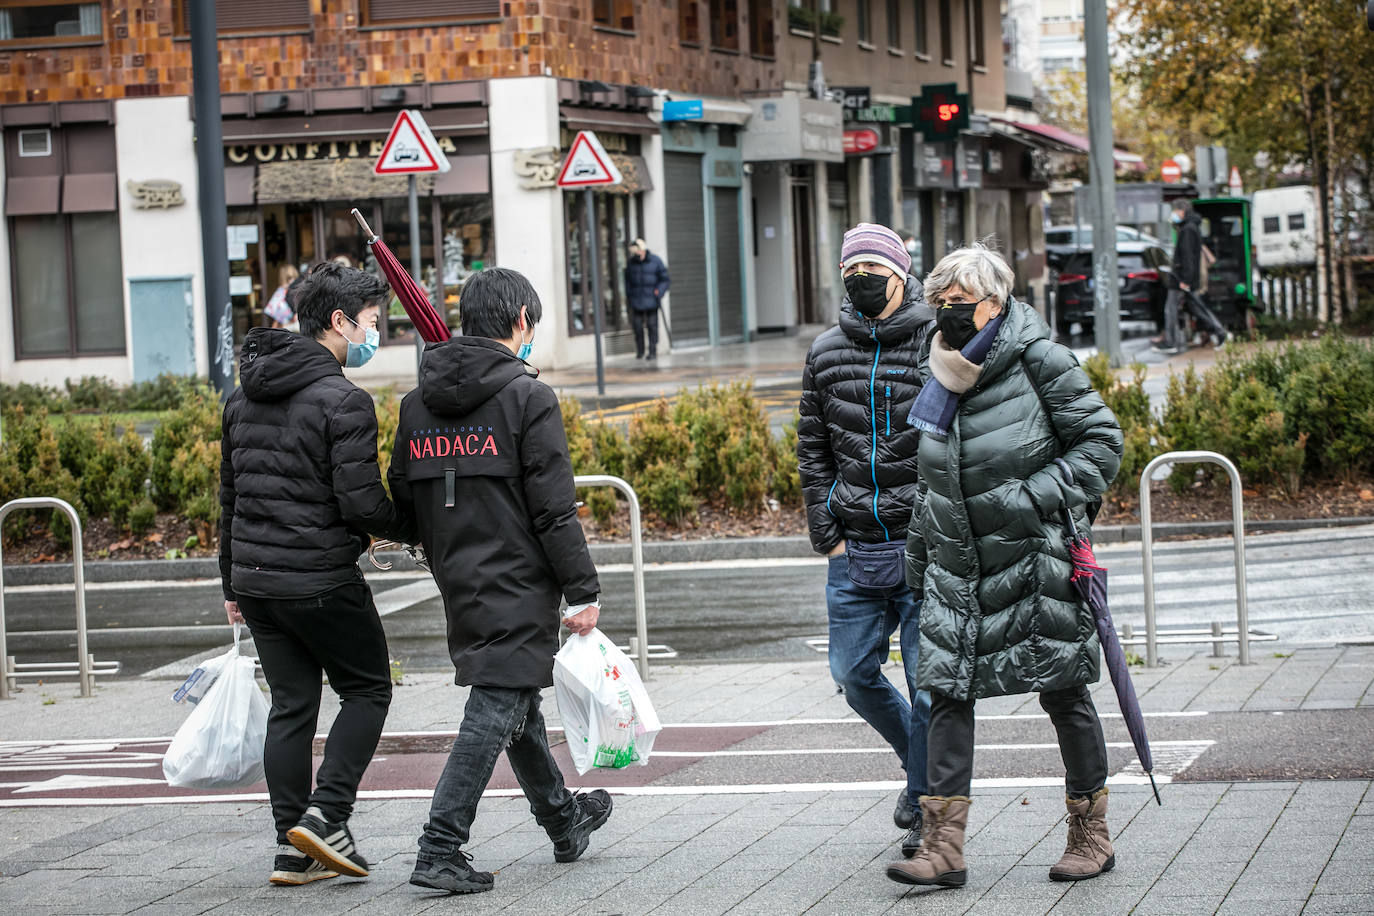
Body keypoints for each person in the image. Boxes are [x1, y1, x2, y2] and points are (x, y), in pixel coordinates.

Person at [887, 244, 1124, 888]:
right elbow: (929, 477)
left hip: (1031, 561)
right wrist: (917, 562)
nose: (947, 316)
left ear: (995, 303)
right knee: (945, 698)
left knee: (1063, 690)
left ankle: (1090, 833)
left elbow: (1102, 445)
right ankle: (943, 848)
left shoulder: (1040, 360)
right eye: (939, 304)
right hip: (957, 569)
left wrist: (1028, 499)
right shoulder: (938, 366)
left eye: (959, 304)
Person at [388, 267, 612, 895]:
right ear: (520, 321)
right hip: (519, 579)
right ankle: (440, 845)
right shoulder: (527, 398)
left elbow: (403, 500)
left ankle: (563, 820)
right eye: (532, 324)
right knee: (495, 703)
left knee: (515, 697)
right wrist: (584, 591)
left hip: (457, 575)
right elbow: (552, 508)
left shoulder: (415, 404)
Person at [219, 261, 414, 887]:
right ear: (339, 322)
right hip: (321, 580)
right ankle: (328, 812)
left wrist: (230, 584)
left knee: (293, 707)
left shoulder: (242, 394)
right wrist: (408, 528)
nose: (375, 333)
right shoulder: (344, 401)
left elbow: (230, 497)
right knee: (367, 689)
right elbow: (361, 503)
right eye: (372, 322)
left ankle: (291, 849)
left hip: (256, 582)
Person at [796, 223, 935, 857]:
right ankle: (923, 767)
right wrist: (827, 535)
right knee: (852, 674)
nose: (863, 281)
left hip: (926, 546)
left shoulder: (938, 343)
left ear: (902, 275)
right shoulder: (826, 351)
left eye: (874, 270)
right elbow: (812, 448)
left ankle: (931, 812)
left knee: (931, 684)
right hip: (853, 548)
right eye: (853, 272)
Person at [1157, 199, 1203, 353]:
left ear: (1182, 212)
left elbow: (1187, 257)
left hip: (1180, 279)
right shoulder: (1190, 227)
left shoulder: (1187, 230)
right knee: (1196, 308)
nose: (1174, 215)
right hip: (1185, 278)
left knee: (1171, 309)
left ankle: (1171, 342)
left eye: (1175, 211)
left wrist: (1184, 280)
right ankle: (1218, 332)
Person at [624, 238, 670, 360]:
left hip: (651, 300)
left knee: (652, 326)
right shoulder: (631, 263)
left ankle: (652, 351)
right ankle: (640, 351)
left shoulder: (655, 261)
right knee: (638, 327)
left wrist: (659, 291)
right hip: (637, 300)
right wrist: (629, 296)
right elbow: (627, 281)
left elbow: (664, 279)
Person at [265, 264, 300, 330]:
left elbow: (276, 318)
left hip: (288, 330)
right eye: (289, 277)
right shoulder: (302, 289)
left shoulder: (280, 293)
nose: (291, 280)